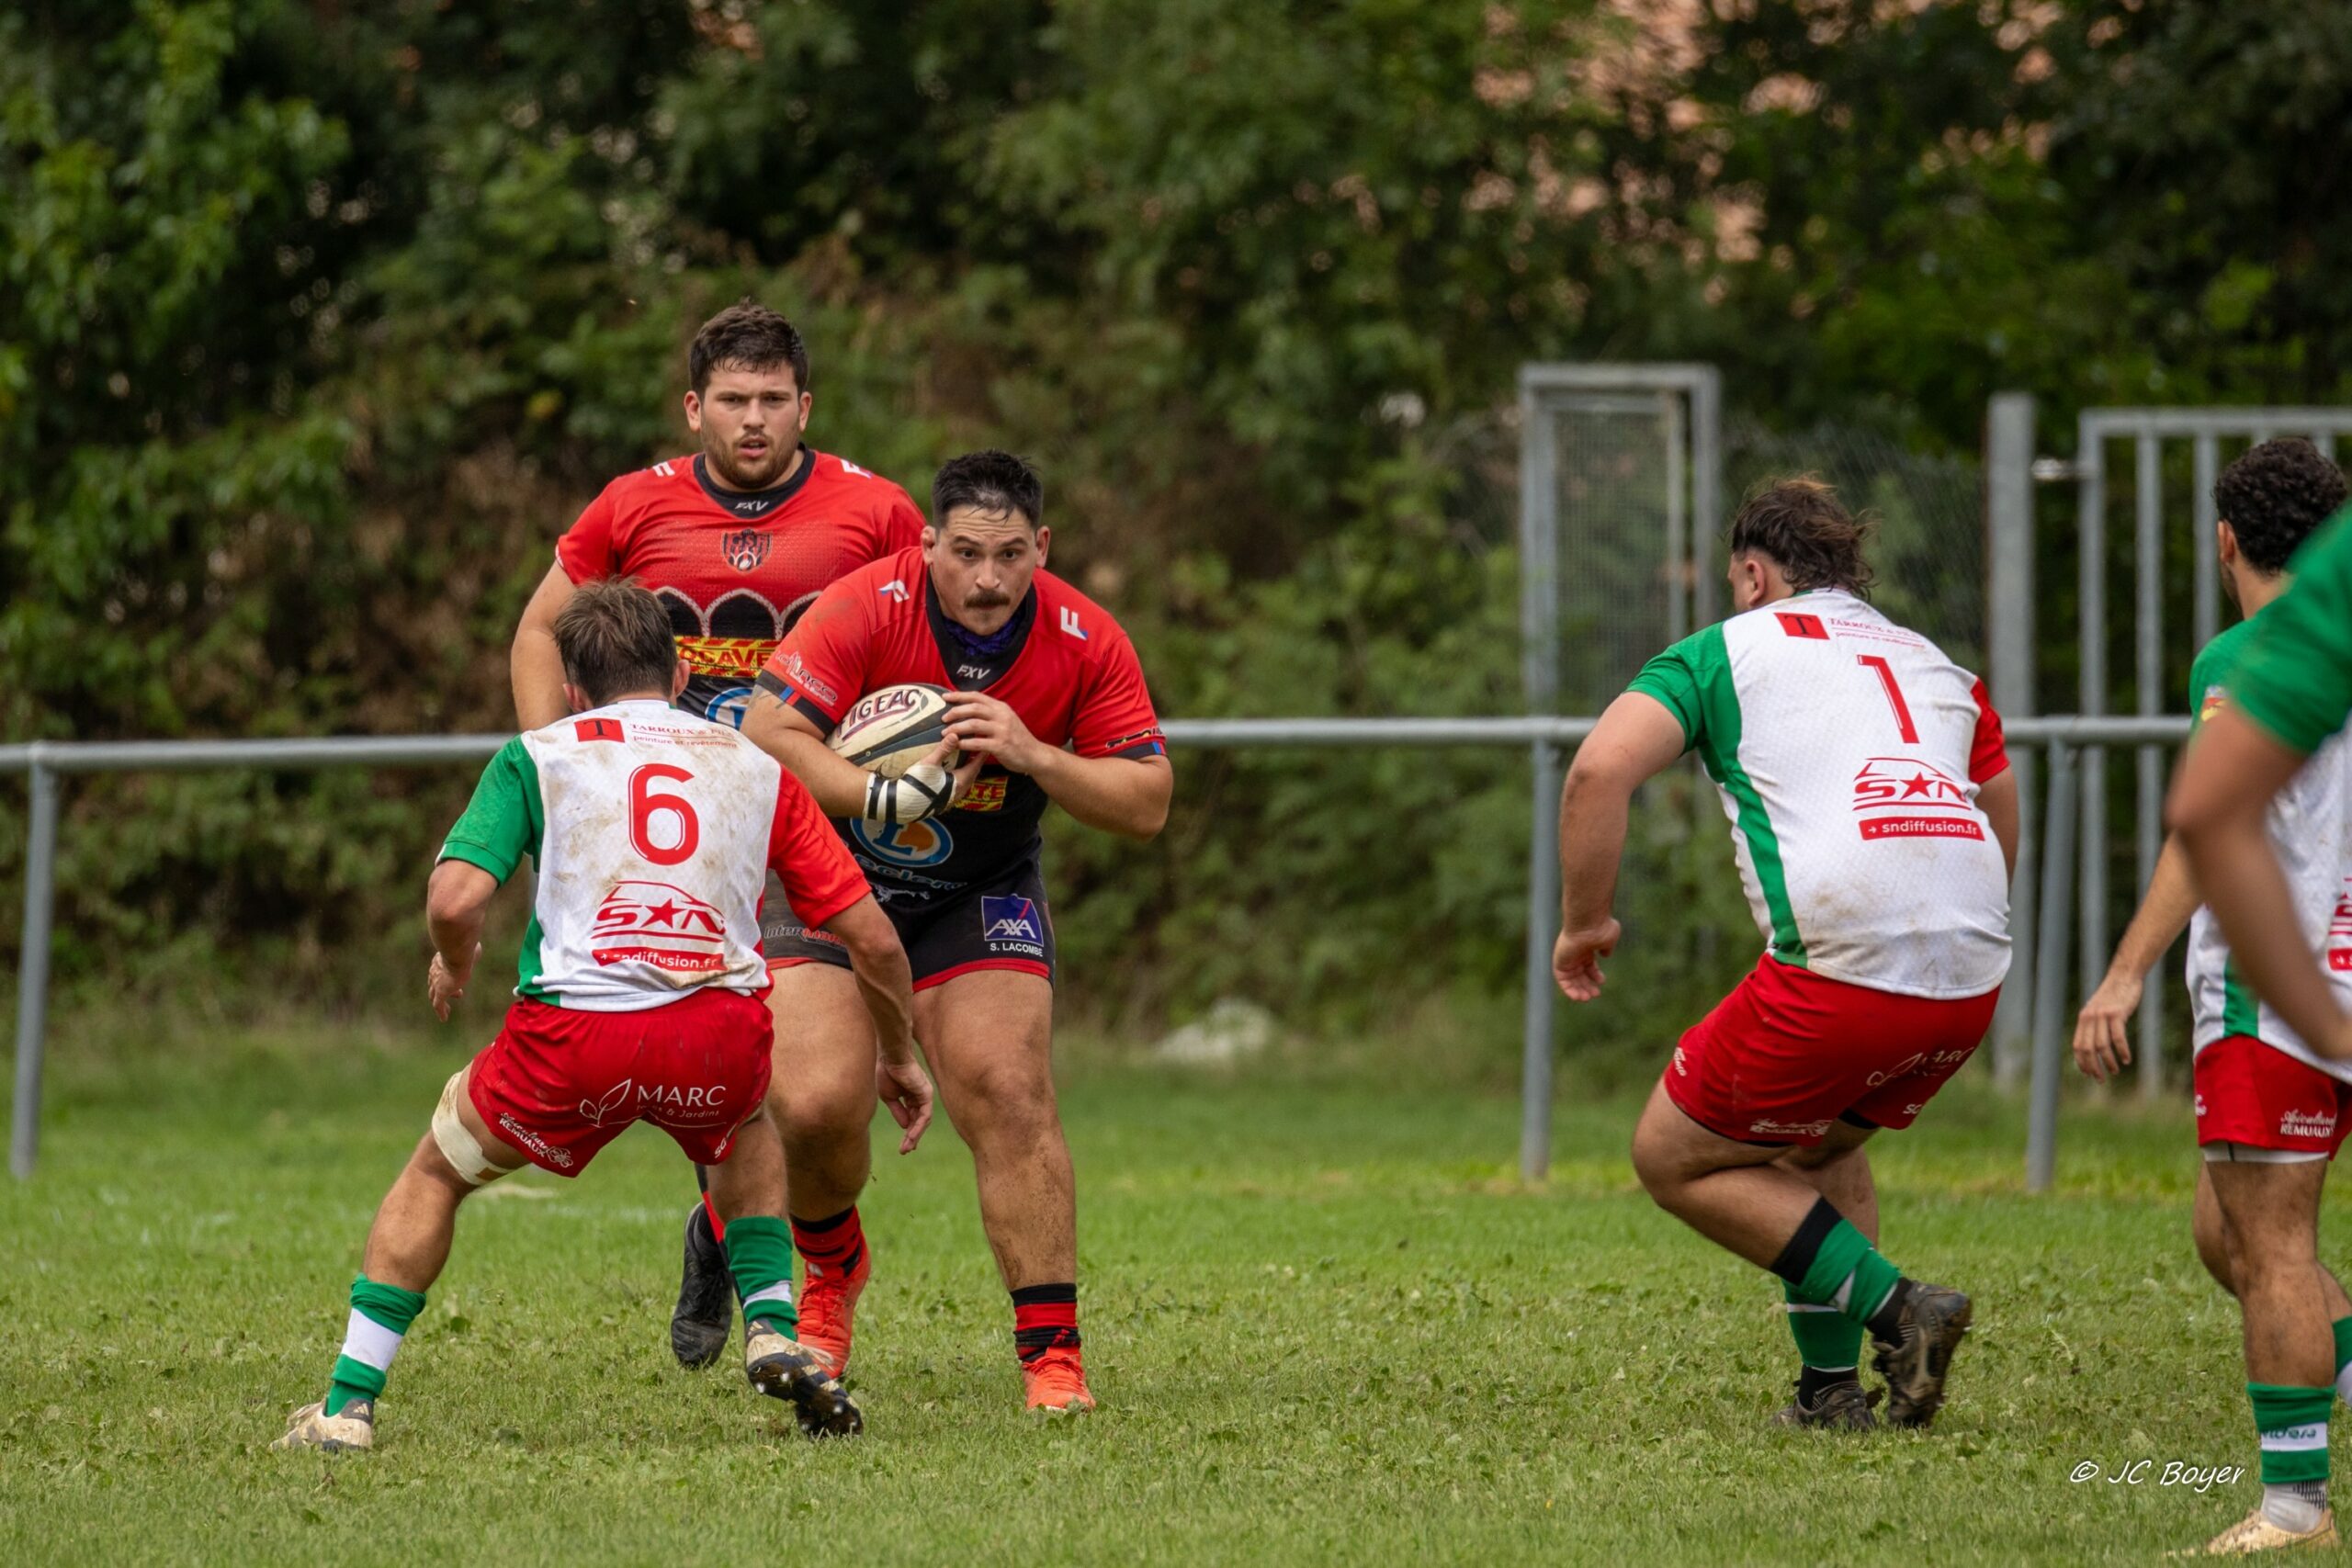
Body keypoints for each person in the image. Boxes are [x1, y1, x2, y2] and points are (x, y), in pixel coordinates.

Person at [274, 581, 920, 1452]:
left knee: (436, 1173)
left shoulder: (539, 754)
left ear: (573, 688)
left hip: (574, 1039)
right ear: (682, 672)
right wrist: (898, 1054)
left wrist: (454, 961)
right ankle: (771, 1322)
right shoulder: (759, 768)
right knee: (747, 1128)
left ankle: (347, 1407)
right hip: (715, 1036)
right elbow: (873, 939)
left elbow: (455, 899)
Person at [505, 300, 935, 1371]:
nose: (753, 420)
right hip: (674, 842)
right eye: (732, 400)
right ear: (694, 408)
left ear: (805, 407)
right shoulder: (633, 505)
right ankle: (768, 1254)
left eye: (772, 400)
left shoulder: (875, 511)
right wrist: (562, 771)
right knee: (699, 1066)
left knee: (819, 1099)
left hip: (800, 830)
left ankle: (728, 1229)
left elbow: (929, 644)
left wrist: (911, 761)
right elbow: (537, 631)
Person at [1552, 478, 2017, 1432]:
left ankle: (1902, 1310)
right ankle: (1829, 1393)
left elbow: (1597, 769)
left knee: (1670, 1157)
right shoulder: (1937, 666)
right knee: (1817, 1142)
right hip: (1973, 970)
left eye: (1736, 582)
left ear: (1756, 575)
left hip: (1842, 967)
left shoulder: (1724, 650)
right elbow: (1998, 808)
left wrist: (1583, 924)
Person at [743, 449, 1171, 1411]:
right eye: (966, 553)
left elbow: (1147, 801)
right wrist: (879, 795)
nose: (986, 578)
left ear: (1041, 547)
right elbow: (768, 732)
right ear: (929, 542)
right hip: (832, 883)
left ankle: (1052, 1356)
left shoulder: (1083, 637)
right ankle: (831, 1273)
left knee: (1009, 1090)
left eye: (1010, 555)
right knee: (812, 1102)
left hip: (977, 891)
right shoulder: (866, 605)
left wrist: (1034, 754)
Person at [2157, 445, 2352, 1556]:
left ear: (2224, 540)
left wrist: (2125, 970)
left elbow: (2206, 828)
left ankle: (2293, 1508)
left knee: (2272, 1246)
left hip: (2282, 990)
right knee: (2221, 1231)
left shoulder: (2239, 659)